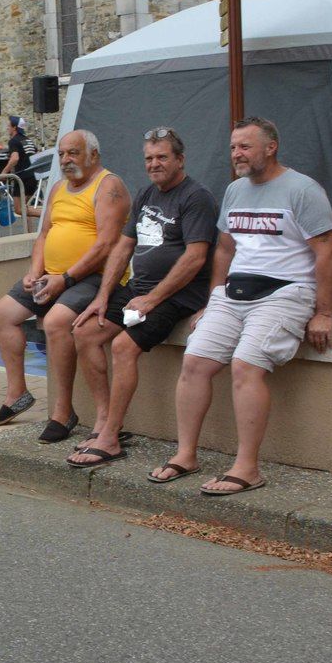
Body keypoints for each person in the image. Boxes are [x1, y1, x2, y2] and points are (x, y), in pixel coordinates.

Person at [154, 118, 332, 495]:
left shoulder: (302, 190)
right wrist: (214, 297)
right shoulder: (236, 190)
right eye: (234, 147)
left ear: (270, 148)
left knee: (245, 365)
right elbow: (225, 248)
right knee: (194, 362)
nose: (236, 154)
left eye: (245, 147)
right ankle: (186, 454)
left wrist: (324, 312)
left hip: (286, 292)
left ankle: (247, 467)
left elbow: (328, 252)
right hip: (234, 294)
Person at [71, 128, 217, 467]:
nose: (154, 164)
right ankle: (105, 421)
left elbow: (195, 257)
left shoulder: (197, 197)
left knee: (123, 346)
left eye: (162, 157)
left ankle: (109, 439)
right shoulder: (146, 194)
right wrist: (103, 296)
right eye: (149, 158)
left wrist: (152, 299)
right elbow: (123, 248)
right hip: (139, 290)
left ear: (180, 159)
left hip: (179, 296)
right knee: (85, 332)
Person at [0, 130, 127, 434]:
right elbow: (45, 234)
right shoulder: (59, 189)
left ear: (93, 155)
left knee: (55, 322)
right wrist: (34, 272)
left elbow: (106, 244)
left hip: (92, 278)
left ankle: (63, 411)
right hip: (52, 275)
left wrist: (65, 279)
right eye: (62, 153)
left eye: (73, 153)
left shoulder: (109, 186)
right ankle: (17, 393)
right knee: (1, 313)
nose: (65, 159)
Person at [1, 115, 40, 216]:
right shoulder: (28, 140)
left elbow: (15, 158)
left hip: (23, 178)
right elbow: (36, 153)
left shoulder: (13, 141)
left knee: (19, 209)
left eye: (9, 126)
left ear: (14, 127)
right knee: (25, 208)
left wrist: (4, 172)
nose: (7, 128)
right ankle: (29, 230)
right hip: (33, 177)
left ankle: (47, 216)